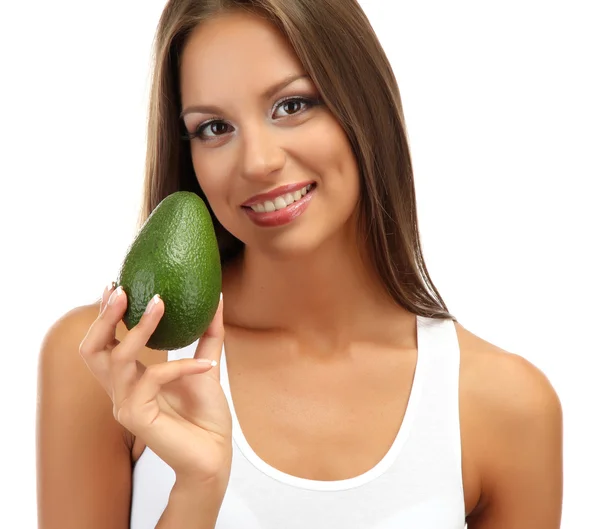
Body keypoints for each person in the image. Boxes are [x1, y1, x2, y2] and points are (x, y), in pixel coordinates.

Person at [36, 1, 563, 528]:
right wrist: (197, 492)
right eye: (214, 127)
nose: (258, 162)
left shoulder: (504, 406)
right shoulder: (113, 365)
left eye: (292, 105)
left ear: (363, 102)